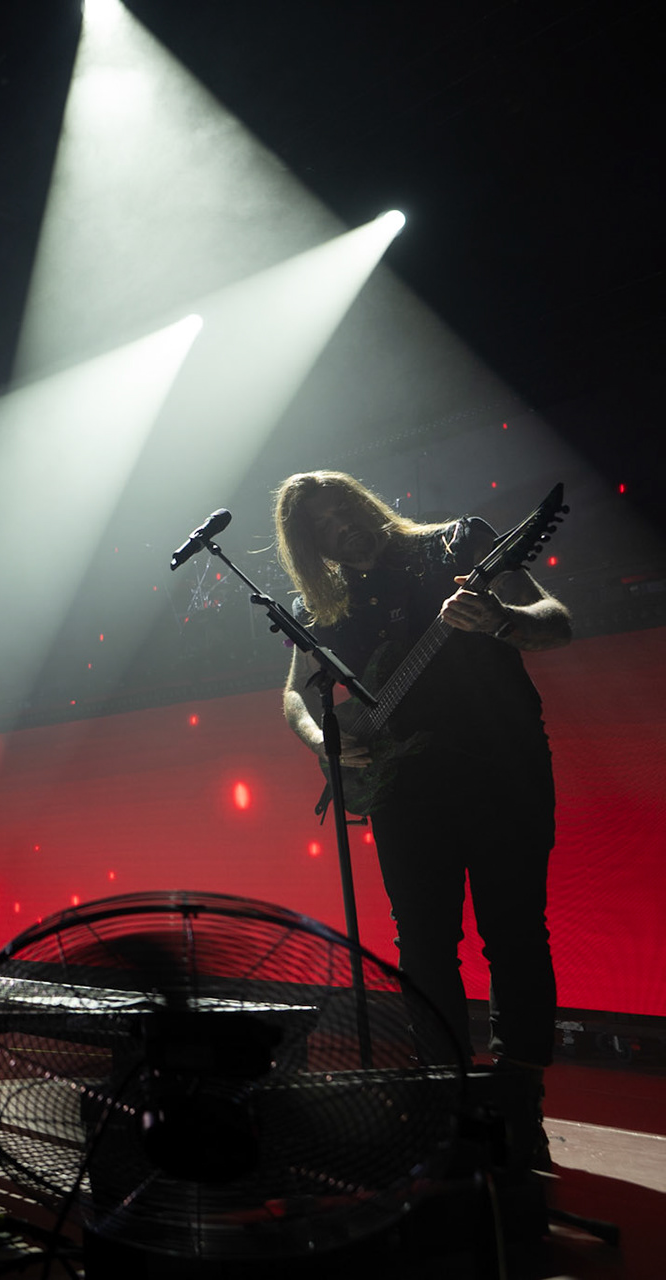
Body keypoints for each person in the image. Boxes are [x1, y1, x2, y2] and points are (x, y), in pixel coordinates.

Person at [273, 472, 571, 1162]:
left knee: (516, 934)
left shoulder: (459, 543)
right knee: (424, 945)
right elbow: (294, 695)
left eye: (344, 508)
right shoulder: (326, 608)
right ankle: (446, 1101)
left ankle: (519, 1102)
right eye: (322, 525)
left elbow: (556, 621)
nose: (341, 526)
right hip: (404, 789)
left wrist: (500, 620)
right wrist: (322, 740)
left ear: (365, 501)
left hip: (503, 768)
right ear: (309, 545)